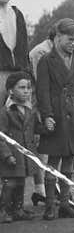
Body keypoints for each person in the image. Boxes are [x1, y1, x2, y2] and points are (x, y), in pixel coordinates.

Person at [37, 18, 74, 220]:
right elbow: (42, 92)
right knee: (52, 163)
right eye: (70, 40)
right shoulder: (46, 60)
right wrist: (46, 116)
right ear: (58, 37)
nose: (73, 43)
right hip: (56, 117)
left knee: (69, 161)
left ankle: (64, 204)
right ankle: (49, 206)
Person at [0, 72, 42, 223]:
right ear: (11, 90)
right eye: (21, 87)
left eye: (28, 88)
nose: (26, 91)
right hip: (12, 156)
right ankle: (4, 210)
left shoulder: (30, 110)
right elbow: (1, 137)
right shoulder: (5, 112)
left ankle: (17, 209)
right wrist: (7, 155)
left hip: (24, 155)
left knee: (21, 182)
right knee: (10, 183)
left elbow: (35, 129)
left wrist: (46, 126)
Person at [25, 25, 57, 206]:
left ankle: (41, 191)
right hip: (35, 101)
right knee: (38, 146)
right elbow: (41, 81)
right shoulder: (41, 52)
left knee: (42, 148)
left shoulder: (52, 50)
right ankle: (41, 191)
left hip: (43, 100)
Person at [0, 0, 30, 105]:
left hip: (18, 77)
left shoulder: (17, 14)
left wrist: (26, 76)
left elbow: (24, 50)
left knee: (21, 121)